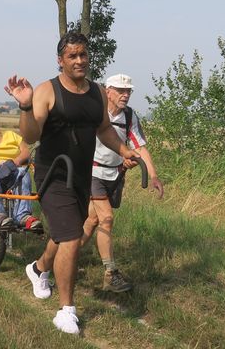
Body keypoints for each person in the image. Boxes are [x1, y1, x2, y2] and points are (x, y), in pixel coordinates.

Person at [5, 31, 140, 335]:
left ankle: (38, 269)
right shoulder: (47, 91)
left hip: (82, 174)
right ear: (60, 60)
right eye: (72, 56)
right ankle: (67, 310)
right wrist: (25, 107)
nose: (79, 60)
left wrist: (123, 150)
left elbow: (104, 129)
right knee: (70, 238)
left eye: (83, 54)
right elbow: (29, 136)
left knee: (69, 231)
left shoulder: (96, 93)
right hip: (53, 174)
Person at [81, 73, 164, 293]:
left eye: (128, 91)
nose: (125, 95)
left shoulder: (129, 116)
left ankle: (64, 255)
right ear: (107, 91)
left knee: (92, 219)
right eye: (120, 90)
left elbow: (140, 147)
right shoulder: (94, 112)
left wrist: (153, 175)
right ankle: (110, 273)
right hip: (92, 172)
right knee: (106, 218)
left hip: (115, 175)